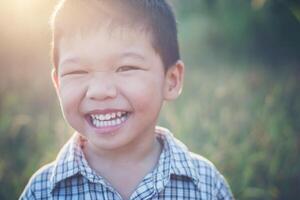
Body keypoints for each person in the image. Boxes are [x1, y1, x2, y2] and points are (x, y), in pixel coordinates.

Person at [20, 0, 234, 199]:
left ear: (171, 80)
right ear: (58, 84)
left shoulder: (206, 185)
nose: (100, 91)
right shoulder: (42, 191)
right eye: (77, 71)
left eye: (126, 68)